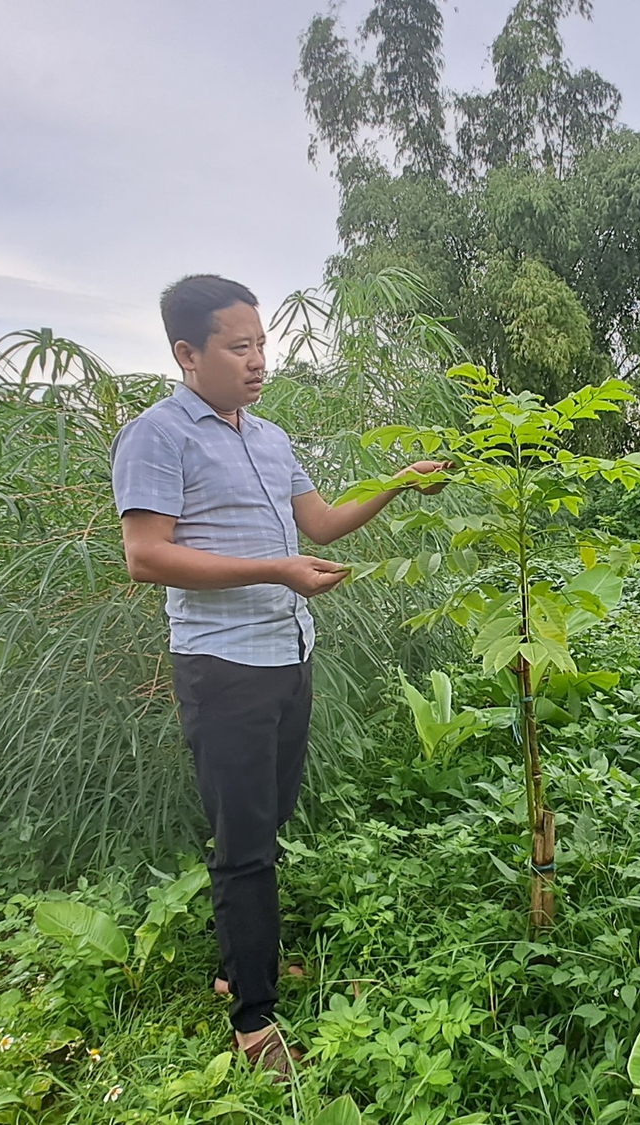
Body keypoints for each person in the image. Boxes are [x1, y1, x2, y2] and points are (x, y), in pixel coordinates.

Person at [110, 274, 443, 1079]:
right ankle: (254, 1017)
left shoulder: (269, 436)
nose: (259, 360)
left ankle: (242, 957)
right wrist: (274, 571)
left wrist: (398, 484)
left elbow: (320, 521)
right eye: (239, 346)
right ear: (188, 354)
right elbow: (144, 554)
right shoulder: (158, 436)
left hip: (287, 653)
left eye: (262, 343)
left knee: (268, 815)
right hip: (222, 665)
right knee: (245, 844)